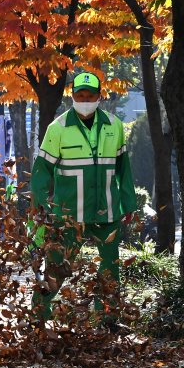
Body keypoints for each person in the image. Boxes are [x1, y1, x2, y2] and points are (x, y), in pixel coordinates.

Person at [29, 71, 136, 324]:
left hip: (107, 210)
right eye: (80, 95)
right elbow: (42, 169)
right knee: (57, 268)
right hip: (68, 214)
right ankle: (38, 317)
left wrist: (129, 203)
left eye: (90, 95)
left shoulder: (114, 125)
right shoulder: (58, 129)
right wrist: (41, 205)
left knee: (110, 268)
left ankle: (106, 319)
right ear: (72, 96)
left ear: (100, 96)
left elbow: (123, 168)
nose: (85, 99)